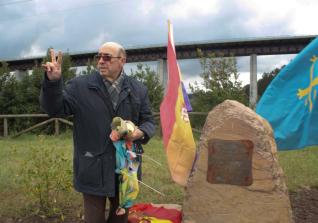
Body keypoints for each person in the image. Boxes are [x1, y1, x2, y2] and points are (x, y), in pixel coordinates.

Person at [40, 42, 155, 223]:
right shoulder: (79, 87)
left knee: (120, 219)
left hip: (126, 168)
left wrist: (138, 133)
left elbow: (148, 121)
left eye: (107, 57)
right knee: (94, 219)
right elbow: (54, 109)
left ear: (122, 61)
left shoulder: (138, 89)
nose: (101, 61)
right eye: (99, 57)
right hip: (92, 167)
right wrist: (53, 82)